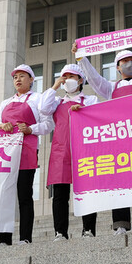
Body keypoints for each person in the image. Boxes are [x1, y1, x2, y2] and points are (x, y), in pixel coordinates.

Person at [76, 43, 132, 234]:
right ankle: (120, 224)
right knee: (120, 182)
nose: (129, 64)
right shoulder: (110, 88)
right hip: (120, 142)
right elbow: (94, 79)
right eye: (125, 62)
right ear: (117, 67)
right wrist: (82, 58)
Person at [0, 65, 52, 245]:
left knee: (24, 195)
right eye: (15, 77)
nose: (18, 80)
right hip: (5, 153)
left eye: (22, 76)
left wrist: (31, 128)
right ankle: (4, 239)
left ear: (32, 79)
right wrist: (2, 126)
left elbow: (48, 124)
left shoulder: (38, 99)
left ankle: (25, 237)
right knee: (4, 196)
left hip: (27, 149)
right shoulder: (5, 102)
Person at [41, 64, 99, 240]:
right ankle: (60, 232)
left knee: (87, 190)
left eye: (71, 77)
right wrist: (54, 86)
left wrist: (83, 112)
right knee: (60, 193)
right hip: (61, 150)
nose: (67, 80)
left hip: (85, 149)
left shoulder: (90, 100)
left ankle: (88, 229)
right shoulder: (57, 102)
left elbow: (96, 118)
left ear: (80, 80)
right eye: (64, 77)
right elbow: (43, 108)